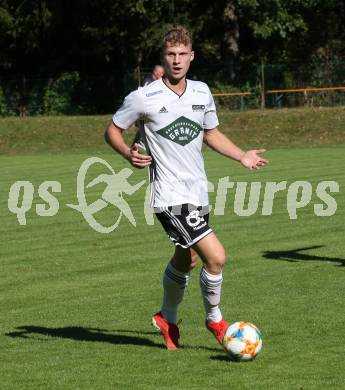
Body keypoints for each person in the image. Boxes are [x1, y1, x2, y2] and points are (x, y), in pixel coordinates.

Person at [105, 26, 268, 350]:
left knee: (187, 259)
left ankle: (167, 317)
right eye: (170, 55)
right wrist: (127, 154)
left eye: (182, 54)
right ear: (162, 58)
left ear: (192, 56)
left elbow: (211, 133)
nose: (177, 61)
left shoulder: (201, 92)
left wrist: (241, 156)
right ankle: (215, 320)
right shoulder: (143, 97)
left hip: (196, 192)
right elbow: (112, 130)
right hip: (169, 196)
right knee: (216, 257)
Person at [132, 64, 164, 150]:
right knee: (146, 128)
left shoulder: (154, 82)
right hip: (145, 111)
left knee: (144, 129)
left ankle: (136, 146)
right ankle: (139, 146)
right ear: (156, 73)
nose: (162, 76)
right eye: (161, 74)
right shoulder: (148, 82)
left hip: (148, 111)